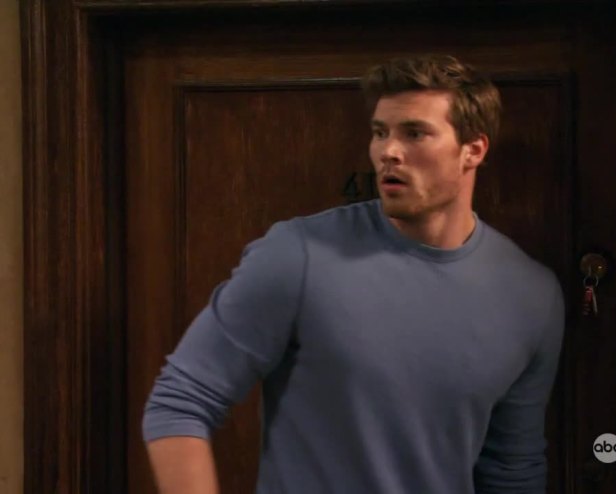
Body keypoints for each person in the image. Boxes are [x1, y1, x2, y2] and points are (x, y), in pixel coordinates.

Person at [143, 54, 565, 494]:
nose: (388, 152)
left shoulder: (531, 295)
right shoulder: (299, 254)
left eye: (414, 133)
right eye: (380, 132)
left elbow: (512, 470)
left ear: (473, 150)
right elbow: (180, 402)